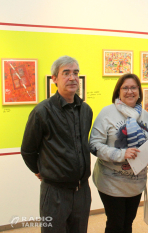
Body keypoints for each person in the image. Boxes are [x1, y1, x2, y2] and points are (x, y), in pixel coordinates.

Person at [21, 56, 93, 233]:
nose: (72, 77)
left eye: (76, 73)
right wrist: (39, 170)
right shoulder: (42, 111)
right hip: (54, 193)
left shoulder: (86, 110)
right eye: (66, 73)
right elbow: (28, 150)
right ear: (54, 79)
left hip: (82, 190)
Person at [89, 73, 148, 233]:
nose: (130, 91)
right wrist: (122, 154)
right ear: (118, 92)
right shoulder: (107, 113)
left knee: (127, 224)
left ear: (139, 91)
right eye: (125, 88)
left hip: (136, 183)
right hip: (111, 183)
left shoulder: (145, 115)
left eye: (133, 87)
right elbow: (93, 145)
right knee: (116, 225)